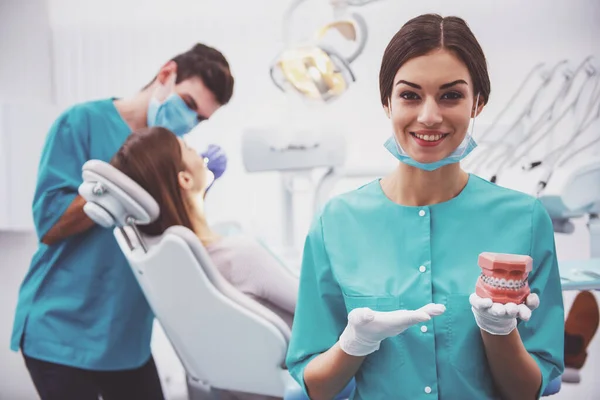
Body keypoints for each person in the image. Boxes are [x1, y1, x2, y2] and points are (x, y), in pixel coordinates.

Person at [286, 13, 564, 400]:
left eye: (451, 95)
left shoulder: (525, 221)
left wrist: (498, 333)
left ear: (477, 103)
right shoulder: (336, 223)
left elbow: (528, 389)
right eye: (409, 95)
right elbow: (314, 385)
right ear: (387, 103)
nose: (429, 115)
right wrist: (354, 344)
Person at [10, 43, 235, 400]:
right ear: (166, 74)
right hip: (62, 331)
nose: (189, 122)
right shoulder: (81, 122)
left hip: (126, 338)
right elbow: (50, 226)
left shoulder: (171, 154)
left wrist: (197, 193)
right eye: (189, 105)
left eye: (200, 119)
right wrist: (118, 183)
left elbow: (174, 240)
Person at [110, 126, 298, 400]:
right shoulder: (240, 257)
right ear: (185, 179)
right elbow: (327, 311)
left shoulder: (173, 268)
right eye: (188, 149)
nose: (200, 154)